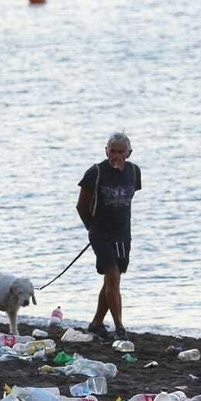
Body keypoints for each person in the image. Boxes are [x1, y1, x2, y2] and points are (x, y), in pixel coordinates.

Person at [76, 132, 140, 337]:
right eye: (112, 151)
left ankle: (96, 323)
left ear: (128, 153)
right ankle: (119, 327)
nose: (116, 156)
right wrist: (91, 229)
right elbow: (81, 206)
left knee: (113, 279)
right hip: (100, 233)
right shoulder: (95, 173)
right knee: (112, 275)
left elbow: (128, 202)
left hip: (123, 234)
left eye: (120, 152)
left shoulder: (134, 172)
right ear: (106, 151)